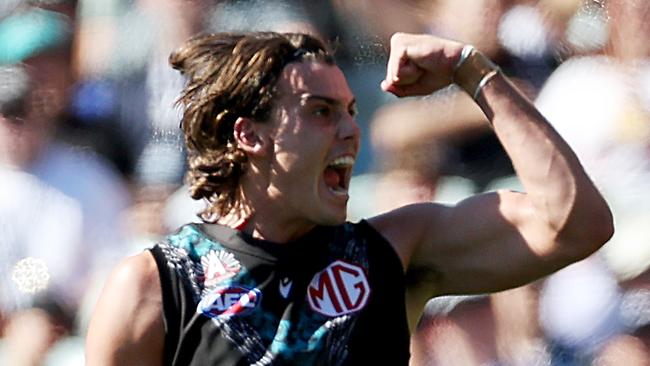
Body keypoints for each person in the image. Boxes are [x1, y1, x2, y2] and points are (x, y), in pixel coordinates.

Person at [85, 31, 613, 365]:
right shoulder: (154, 288)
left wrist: (471, 72)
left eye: (351, 111)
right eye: (321, 111)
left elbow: (574, 224)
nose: (351, 132)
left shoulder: (394, 251)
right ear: (250, 136)